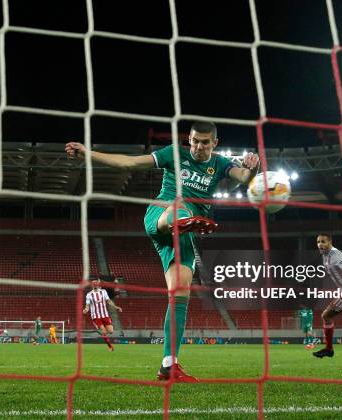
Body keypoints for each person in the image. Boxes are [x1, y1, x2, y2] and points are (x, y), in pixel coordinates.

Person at [67, 121, 259, 381]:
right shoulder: (174, 154)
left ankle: (169, 364)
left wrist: (252, 168)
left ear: (214, 143)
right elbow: (130, 163)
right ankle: (179, 218)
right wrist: (88, 154)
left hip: (183, 237)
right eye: (194, 141)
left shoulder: (222, 163)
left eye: (205, 142)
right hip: (161, 215)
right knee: (179, 205)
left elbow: (244, 178)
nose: (198, 147)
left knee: (180, 294)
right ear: (188, 140)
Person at [83, 279, 122, 351]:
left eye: (96, 283)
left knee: (111, 331)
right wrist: (86, 309)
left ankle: (104, 336)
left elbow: (109, 301)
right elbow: (87, 305)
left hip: (105, 315)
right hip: (96, 316)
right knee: (104, 331)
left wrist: (116, 307)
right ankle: (110, 347)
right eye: (93, 283)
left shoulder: (103, 292)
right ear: (92, 285)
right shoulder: (89, 294)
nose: (95, 284)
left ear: (98, 284)